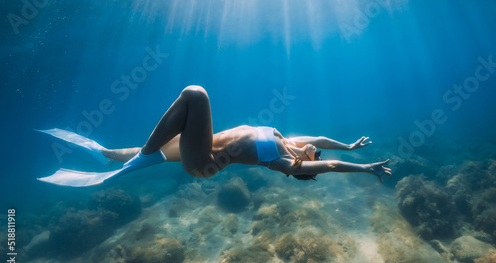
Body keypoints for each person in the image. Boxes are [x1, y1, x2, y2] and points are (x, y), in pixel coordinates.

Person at [37, 85, 391, 187]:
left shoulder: (286, 162)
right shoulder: (291, 140)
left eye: (314, 157)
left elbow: (328, 165)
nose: (316, 150)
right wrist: (350, 145)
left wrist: (366, 167)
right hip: (199, 146)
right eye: (316, 151)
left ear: (306, 166)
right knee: (121, 152)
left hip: (202, 162)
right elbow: (324, 142)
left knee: (196, 95)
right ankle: (104, 154)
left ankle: (144, 156)